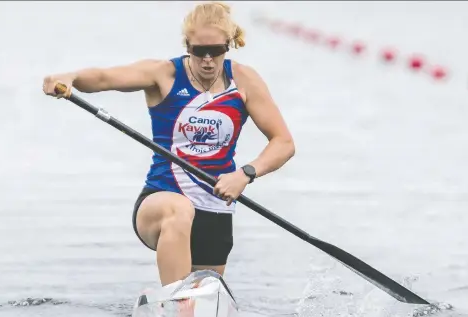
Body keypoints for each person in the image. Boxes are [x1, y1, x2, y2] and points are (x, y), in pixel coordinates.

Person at [42, 1, 295, 287]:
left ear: (229, 45)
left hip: (216, 206)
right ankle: (174, 300)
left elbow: (283, 143)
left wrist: (245, 174)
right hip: (162, 200)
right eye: (199, 52)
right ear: (187, 45)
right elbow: (105, 77)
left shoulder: (245, 81)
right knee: (179, 210)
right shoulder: (164, 74)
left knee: (205, 293)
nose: (208, 60)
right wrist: (70, 77)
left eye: (217, 51)